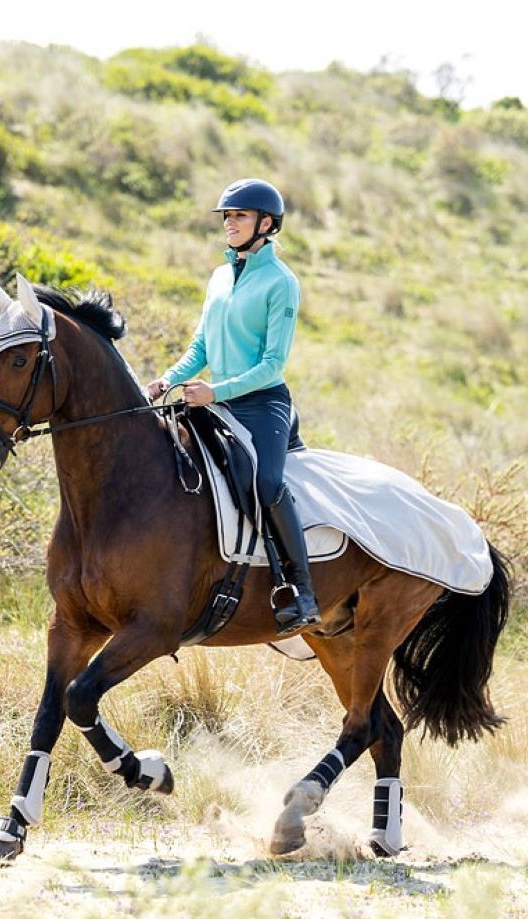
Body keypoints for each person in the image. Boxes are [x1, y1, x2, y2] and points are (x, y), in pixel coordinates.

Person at [146, 178, 321, 633]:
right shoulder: (220, 276)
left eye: (239, 216)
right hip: (214, 399)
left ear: (266, 224)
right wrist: (170, 377)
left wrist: (215, 393)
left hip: (261, 404)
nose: (230, 223)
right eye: (227, 216)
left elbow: (272, 364)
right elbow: (201, 346)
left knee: (265, 483)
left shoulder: (282, 283)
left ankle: (301, 591)